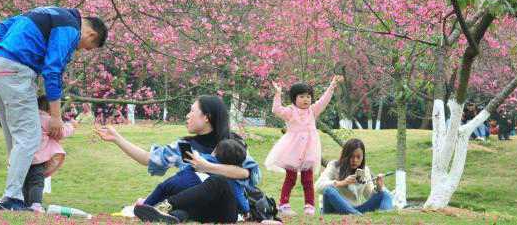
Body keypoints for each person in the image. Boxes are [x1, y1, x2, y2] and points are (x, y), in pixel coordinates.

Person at [0, 6, 107, 211]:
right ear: (90, 33)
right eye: (87, 46)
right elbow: (53, 70)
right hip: (17, 71)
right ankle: (11, 198)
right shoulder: (70, 27)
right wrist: (55, 117)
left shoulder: (48, 12)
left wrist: (5, 50)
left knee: (16, 139)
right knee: (30, 139)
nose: (81, 50)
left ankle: (19, 194)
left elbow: (4, 25)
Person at [96, 96, 261, 216]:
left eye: (192, 111)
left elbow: (246, 173)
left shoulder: (231, 142)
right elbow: (149, 158)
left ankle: (162, 207)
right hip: (196, 205)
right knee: (182, 194)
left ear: (206, 117)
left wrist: (207, 167)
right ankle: (164, 212)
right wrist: (117, 139)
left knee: (217, 182)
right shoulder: (185, 147)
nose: (187, 116)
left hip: (226, 206)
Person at [264, 76, 341, 216]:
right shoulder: (290, 111)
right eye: (302, 96)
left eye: (308, 96)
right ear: (294, 98)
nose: (306, 99)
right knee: (291, 178)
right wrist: (277, 94)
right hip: (293, 151)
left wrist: (331, 86)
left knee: (308, 179)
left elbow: (324, 101)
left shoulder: (313, 110)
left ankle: (309, 205)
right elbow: (276, 110)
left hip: (309, 151)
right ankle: (284, 204)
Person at [133, 138, 249, 224]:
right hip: (205, 210)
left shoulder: (233, 177)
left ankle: (162, 205)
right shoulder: (209, 163)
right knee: (187, 209)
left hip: (223, 212)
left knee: (218, 181)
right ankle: (171, 216)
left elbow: (186, 152)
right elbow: (241, 201)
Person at [23, 95, 76, 212]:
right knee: (37, 181)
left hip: (23, 157)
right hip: (38, 158)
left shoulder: (28, 118)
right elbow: (61, 132)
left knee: (25, 181)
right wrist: (72, 126)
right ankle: (36, 204)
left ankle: (26, 204)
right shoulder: (46, 119)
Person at [316, 139, 393, 215]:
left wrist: (378, 188)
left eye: (358, 157)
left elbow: (369, 195)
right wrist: (342, 183)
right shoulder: (334, 166)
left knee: (384, 194)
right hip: (333, 210)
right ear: (345, 156)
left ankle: (384, 218)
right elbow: (318, 186)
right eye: (351, 156)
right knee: (329, 191)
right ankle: (358, 217)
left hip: (353, 209)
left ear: (363, 157)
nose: (355, 160)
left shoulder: (364, 170)